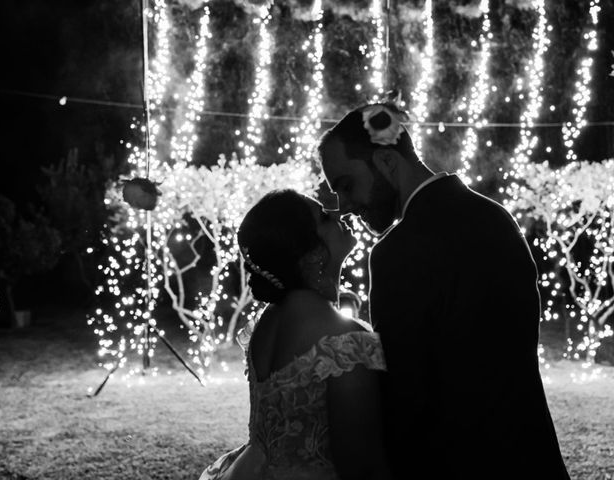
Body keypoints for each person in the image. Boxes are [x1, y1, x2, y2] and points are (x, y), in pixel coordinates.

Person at [318, 102, 570, 479]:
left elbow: (406, 395)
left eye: (346, 185)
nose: (345, 206)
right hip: (532, 454)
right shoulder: (496, 217)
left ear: (386, 163)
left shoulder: (397, 252)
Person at [199, 189, 391, 480]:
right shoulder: (344, 340)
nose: (338, 214)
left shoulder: (266, 322)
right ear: (313, 255)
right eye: (325, 218)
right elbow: (360, 463)